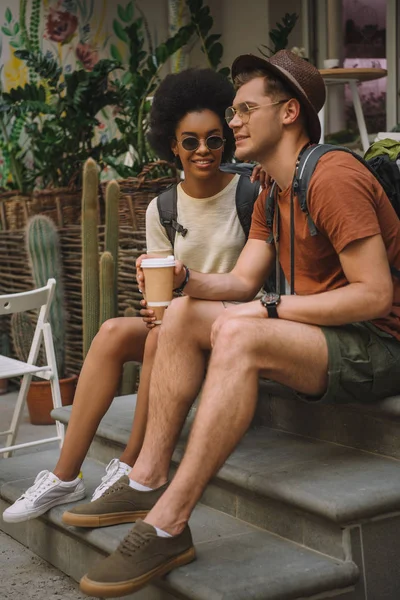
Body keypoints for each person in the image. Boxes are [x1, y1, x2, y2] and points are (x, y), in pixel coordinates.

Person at [75, 50, 400, 599]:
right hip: (325, 337)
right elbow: (243, 280)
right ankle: (145, 480)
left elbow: (374, 296)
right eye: (234, 111)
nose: (233, 122)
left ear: (290, 112)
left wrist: (269, 310)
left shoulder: (333, 176)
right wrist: (184, 279)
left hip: (378, 345)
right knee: (181, 316)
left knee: (237, 332)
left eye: (246, 110)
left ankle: (168, 524)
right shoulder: (272, 188)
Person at [2, 67, 261, 524]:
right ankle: (65, 476)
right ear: (172, 145)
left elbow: (253, 281)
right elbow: (159, 284)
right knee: (112, 332)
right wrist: (152, 300)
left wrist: (180, 296)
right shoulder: (162, 207)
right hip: (179, 323)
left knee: (162, 335)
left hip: (232, 324)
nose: (203, 150)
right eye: (191, 141)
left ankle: (130, 466)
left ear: (227, 140)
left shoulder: (249, 195)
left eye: (214, 139)